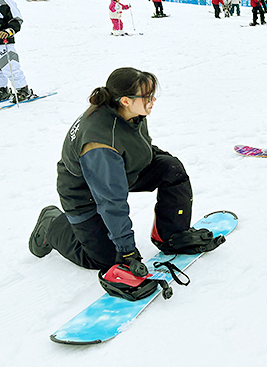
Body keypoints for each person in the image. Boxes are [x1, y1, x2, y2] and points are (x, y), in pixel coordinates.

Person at [29, 68, 224, 286]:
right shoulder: (100, 143)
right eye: (148, 96)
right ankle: (52, 224)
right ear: (125, 100)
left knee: (171, 169)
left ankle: (171, 235)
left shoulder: (132, 112)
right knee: (105, 258)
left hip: (121, 168)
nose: (153, 100)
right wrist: (126, 251)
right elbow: (111, 201)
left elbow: (134, 144)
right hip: (84, 193)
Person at [0, 0, 36, 103]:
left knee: (9, 65)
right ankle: (2, 90)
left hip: (3, 39)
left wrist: (9, 30)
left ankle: (23, 90)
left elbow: (16, 17)